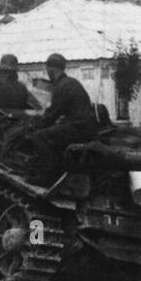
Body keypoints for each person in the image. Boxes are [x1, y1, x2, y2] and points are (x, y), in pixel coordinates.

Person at [26, 52, 98, 183]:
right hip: (88, 126)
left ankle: (47, 177)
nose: (48, 74)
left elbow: (51, 116)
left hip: (78, 128)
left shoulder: (61, 86)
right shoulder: (72, 82)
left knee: (39, 136)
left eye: (48, 70)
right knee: (53, 133)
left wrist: (33, 126)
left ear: (51, 69)